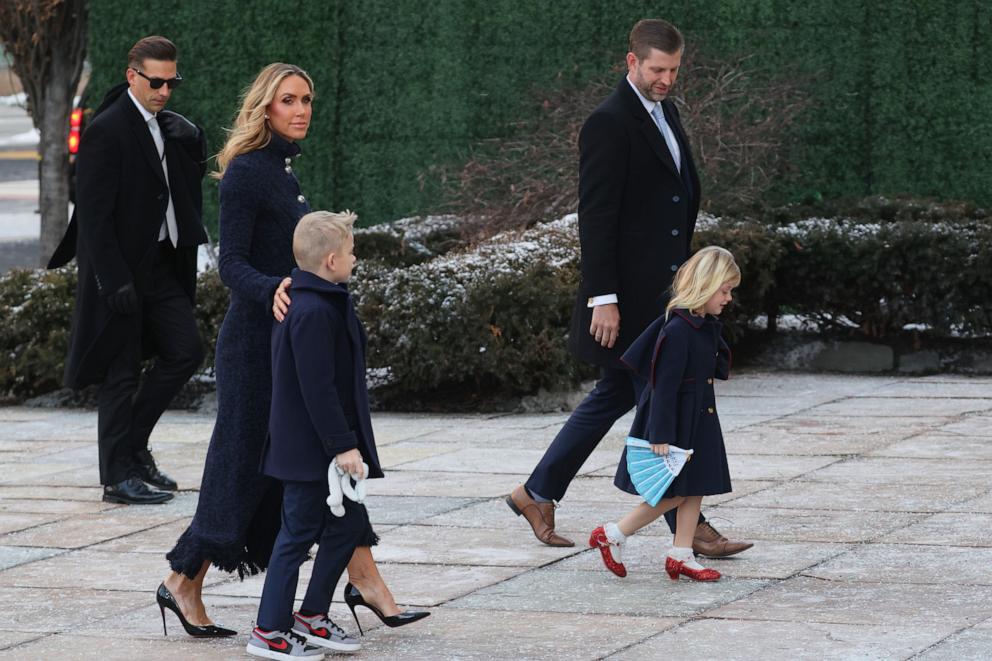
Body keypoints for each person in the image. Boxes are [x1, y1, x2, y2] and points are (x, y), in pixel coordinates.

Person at [159, 63, 423, 638]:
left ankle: (366, 577)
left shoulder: (280, 170)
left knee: (316, 466)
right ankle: (184, 579)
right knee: (238, 474)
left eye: (306, 99)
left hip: (288, 343)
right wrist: (273, 286)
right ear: (265, 107)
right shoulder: (247, 174)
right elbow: (231, 264)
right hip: (256, 349)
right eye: (288, 100)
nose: (300, 109)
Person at [506, 19, 752, 558]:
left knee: (617, 395)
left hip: (662, 294)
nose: (666, 79)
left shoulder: (667, 112)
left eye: (673, 70)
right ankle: (691, 528)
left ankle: (537, 492)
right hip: (629, 299)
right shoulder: (608, 122)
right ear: (632, 62)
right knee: (669, 403)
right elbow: (596, 217)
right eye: (657, 69)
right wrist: (603, 297)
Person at [48, 36, 208, 505]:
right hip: (118, 274)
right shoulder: (107, 127)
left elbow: (176, 187)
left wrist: (194, 140)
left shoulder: (164, 123)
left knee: (186, 350)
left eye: (171, 82)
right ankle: (117, 477)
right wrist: (112, 278)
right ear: (132, 76)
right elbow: (93, 215)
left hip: (159, 267)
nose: (163, 90)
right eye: (155, 82)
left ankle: (132, 447)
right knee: (119, 376)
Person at [247, 210, 374, 658]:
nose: (356, 260)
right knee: (297, 534)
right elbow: (317, 389)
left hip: (315, 445)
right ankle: (269, 630)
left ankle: (312, 615)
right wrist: (343, 445)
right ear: (333, 260)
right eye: (353, 253)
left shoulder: (321, 300)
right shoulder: (314, 311)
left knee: (348, 525)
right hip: (308, 450)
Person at [590, 246, 739, 581]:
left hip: (700, 419)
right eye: (725, 290)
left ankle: (681, 553)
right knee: (673, 491)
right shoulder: (677, 330)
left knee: (695, 485)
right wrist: (660, 433)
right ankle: (612, 534)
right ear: (706, 284)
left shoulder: (702, 325)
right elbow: (662, 387)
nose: (728, 298)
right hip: (676, 424)